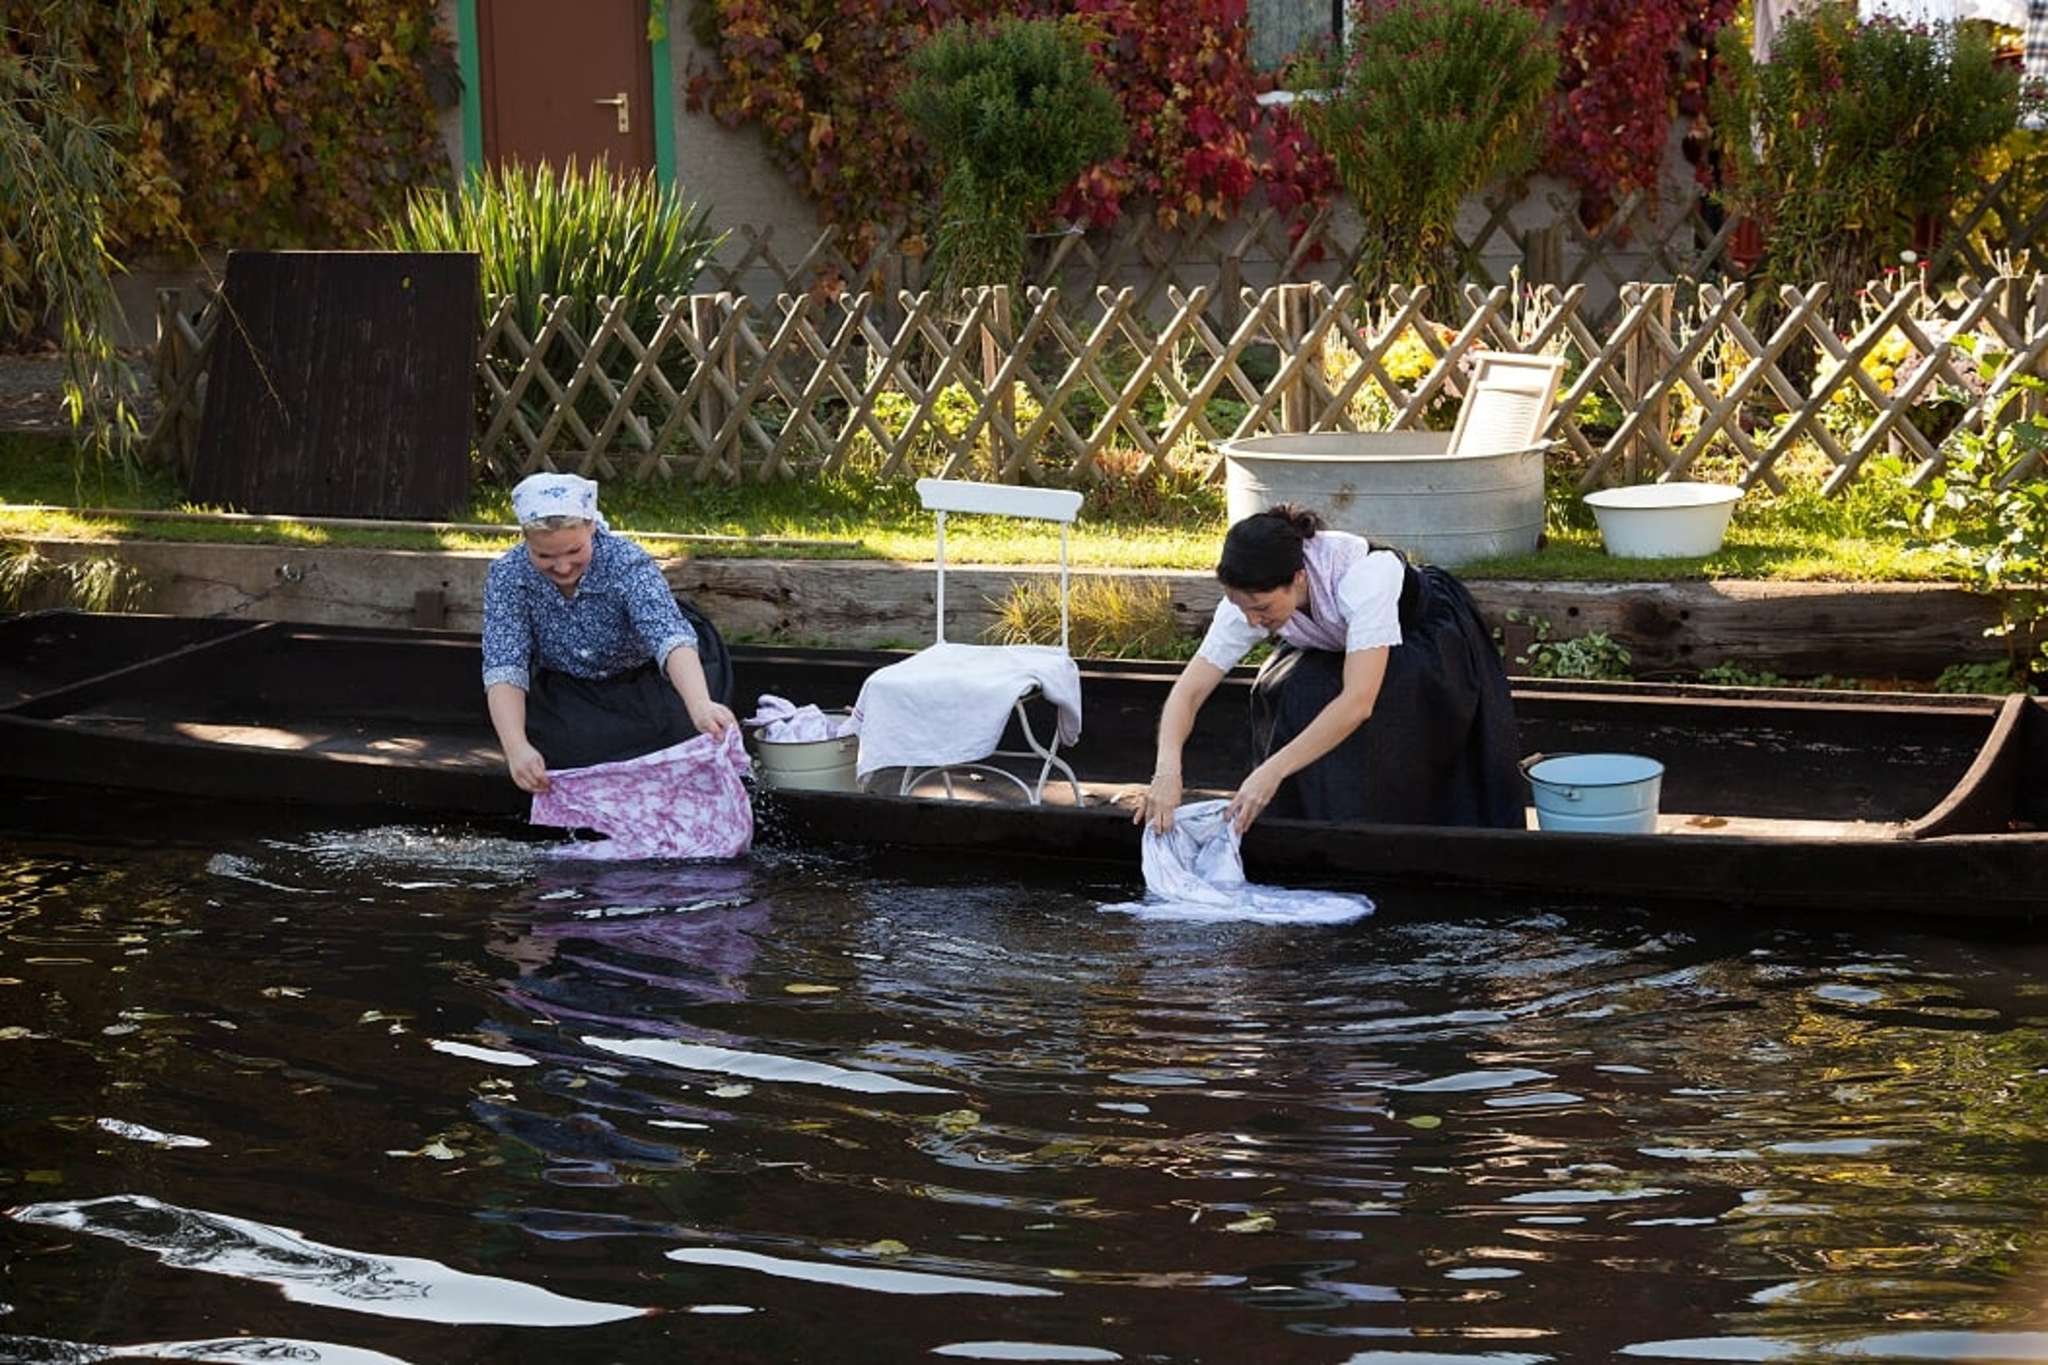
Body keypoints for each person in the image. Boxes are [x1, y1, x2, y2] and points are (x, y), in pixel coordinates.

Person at [1132, 504, 1522, 835]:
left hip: (1422, 640)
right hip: (1333, 640)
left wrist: (1272, 771)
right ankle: (1299, 829)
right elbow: (1190, 692)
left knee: (1387, 719)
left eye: (1263, 609)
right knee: (1288, 692)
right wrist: (1167, 771)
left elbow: (1357, 702)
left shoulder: (1364, 577)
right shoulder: (1248, 603)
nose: (1251, 621)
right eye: (1242, 608)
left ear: (1298, 579)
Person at [482, 472, 736, 794]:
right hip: (572, 685)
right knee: (560, 751)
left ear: (590, 526)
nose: (562, 567)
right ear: (525, 539)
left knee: (683, 734)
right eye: (545, 556)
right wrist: (516, 748)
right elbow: (505, 665)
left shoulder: (627, 562)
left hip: (650, 677)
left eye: (573, 551)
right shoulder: (508, 576)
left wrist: (700, 705)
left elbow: (668, 637)